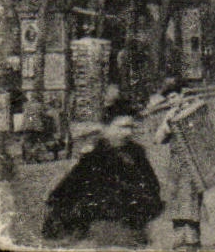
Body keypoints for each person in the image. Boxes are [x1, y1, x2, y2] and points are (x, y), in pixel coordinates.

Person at [42, 100, 164, 248]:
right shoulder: (93, 156)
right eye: (122, 127)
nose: (128, 133)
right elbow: (65, 193)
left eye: (132, 127)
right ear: (106, 128)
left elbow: (153, 187)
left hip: (134, 230)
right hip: (101, 232)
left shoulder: (137, 153)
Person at [151, 81, 208, 250]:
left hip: (192, 162)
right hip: (176, 163)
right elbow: (158, 139)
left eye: (174, 96)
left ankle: (192, 237)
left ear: (182, 95)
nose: (172, 101)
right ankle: (179, 235)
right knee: (175, 198)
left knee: (191, 197)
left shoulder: (194, 111)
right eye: (169, 99)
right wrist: (168, 124)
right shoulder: (170, 114)